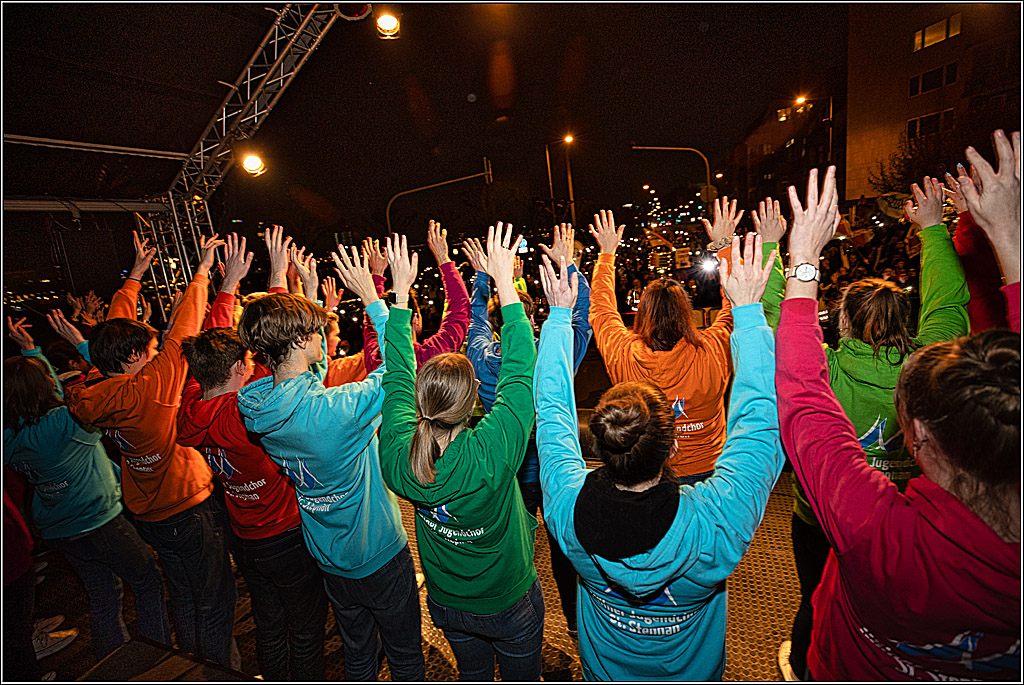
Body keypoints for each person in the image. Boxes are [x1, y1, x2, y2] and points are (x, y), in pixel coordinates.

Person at [775, 152, 1018, 682]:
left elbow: (801, 389)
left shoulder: (875, 526)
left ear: (921, 432)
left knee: (816, 590)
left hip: (821, 520)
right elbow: (949, 304)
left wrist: (791, 254)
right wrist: (946, 231)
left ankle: (798, 659)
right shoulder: (930, 363)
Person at [535, 230, 783, 680]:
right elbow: (760, 425)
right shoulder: (718, 524)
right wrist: (740, 288)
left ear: (602, 445)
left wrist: (572, 297)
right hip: (702, 478)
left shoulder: (567, 514)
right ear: (668, 447)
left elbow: (553, 412)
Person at [236, 245, 425, 682]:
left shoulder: (258, 405)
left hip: (327, 556)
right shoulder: (337, 411)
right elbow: (400, 373)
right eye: (318, 332)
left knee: (358, 655)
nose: (326, 337)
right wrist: (384, 300)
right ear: (301, 341)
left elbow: (302, 382)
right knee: (405, 658)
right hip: (377, 552)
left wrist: (308, 292)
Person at [60, 230, 239, 668]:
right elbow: (183, 330)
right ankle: (218, 672)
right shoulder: (150, 388)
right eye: (151, 350)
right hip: (187, 508)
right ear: (136, 357)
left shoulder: (98, 388)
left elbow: (112, 336)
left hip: (147, 514)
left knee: (181, 594)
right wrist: (202, 273)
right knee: (215, 600)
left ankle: (191, 665)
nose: (159, 352)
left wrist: (135, 276)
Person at [378, 226, 543, 681]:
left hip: (448, 601)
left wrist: (399, 296)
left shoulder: (397, 455)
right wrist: (506, 284)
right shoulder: (490, 453)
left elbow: (394, 377)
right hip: (508, 597)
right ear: (472, 403)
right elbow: (519, 377)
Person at [176, 234, 328, 681]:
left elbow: (210, 343)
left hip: (242, 536)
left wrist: (228, 287)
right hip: (284, 535)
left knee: (268, 623)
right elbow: (278, 349)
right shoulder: (247, 415)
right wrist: (278, 276)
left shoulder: (192, 406)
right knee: (305, 627)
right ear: (243, 368)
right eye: (248, 359)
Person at [4, 316, 171, 661]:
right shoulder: (67, 424)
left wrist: (29, 351)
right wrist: (84, 345)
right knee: (147, 581)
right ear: (43, 387)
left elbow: (43, 390)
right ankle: (157, 655)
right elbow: (109, 390)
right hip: (98, 522)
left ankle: (115, 659)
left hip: (58, 528)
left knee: (103, 594)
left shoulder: (10, 437)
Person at [463, 222, 592, 635]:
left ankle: (516, 613)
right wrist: (567, 265)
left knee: (515, 544)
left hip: (510, 471)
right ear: (537, 321)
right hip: (554, 470)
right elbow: (581, 316)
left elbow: (474, 319)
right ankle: (573, 619)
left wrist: (489, 278)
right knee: (561, 548)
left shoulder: (485, 359)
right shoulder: (558, 358)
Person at [588, 206, 738, 483]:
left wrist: (607, 254)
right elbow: (735, 305)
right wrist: (724, 246)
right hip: (709, 470)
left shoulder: (624, 351)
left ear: (644, 314)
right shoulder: (712, 348)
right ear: (686, 313)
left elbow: (601, 310)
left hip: (651, 474)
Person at [361, 220, 470, 373]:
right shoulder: (429, 357)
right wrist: (442, 257)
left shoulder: (375, 359)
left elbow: (370, 325)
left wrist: (377, 274)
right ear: (416, 320)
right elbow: (460, 312)